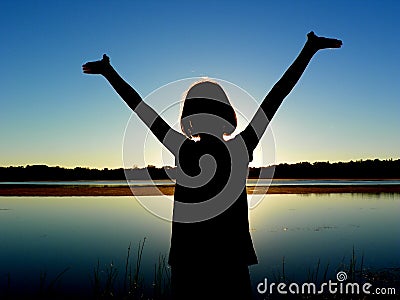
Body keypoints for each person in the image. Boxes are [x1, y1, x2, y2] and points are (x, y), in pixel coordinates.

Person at [82, 31, 342, 299]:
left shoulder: (183, 150)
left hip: (188, 259)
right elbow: (277, 95)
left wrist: (109, 73)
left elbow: (142, 109)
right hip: (232, 259)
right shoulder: (240, 149)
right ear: (227, 113)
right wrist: (309, 50)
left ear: (188, 117)